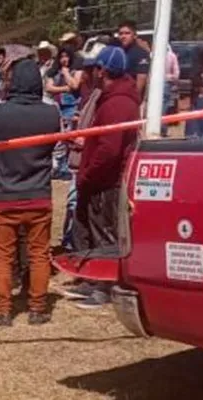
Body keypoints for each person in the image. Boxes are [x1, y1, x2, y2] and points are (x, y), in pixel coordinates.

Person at [0, 59, 62, 326]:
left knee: (2, 256)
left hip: (5, 195)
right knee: (39, 254)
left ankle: (2, 312)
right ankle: (37, 309)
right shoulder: (51, 114)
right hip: (39, 193)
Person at [71, 45, 139, 310]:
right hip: (99, 178)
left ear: (103, 70)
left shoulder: (118, 103)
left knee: (104, 233)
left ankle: (105, 287)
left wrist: (89, 174)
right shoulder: (109, 98)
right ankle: (92, 279)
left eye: (95, 68)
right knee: (91, 227)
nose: (92, 73)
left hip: (105, 181)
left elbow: (109, 149)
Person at [62, 47, 103, 251]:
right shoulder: (90, 94)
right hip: (79, 157)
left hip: (87, 159)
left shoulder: (102, 96)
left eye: (90, 69)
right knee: (74, 202)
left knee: (75, 202)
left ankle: (75, 245)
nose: (86, 73)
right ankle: (72, 242)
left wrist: (87, 141)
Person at [46, 48, 82, 179]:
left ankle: (67, 166)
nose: (64, 59)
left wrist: (66, 74)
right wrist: (65, 88)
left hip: (72, 107)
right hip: (57, 107)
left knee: (70, 136)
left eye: (66, 56)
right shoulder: (54, 71)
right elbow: (49, 87)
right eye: (61, 57)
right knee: (59, 138)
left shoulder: (76, 70)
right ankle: (59, 166)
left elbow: (75, 85)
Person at [117, 20, 149, 96]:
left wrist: (135, 98)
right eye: (121, 34)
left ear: (134, 36)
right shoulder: (117, 52)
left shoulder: (141, 53)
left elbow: (142, 77)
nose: (123, 36)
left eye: (127, 33)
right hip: (117, 94)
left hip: (131, 96)